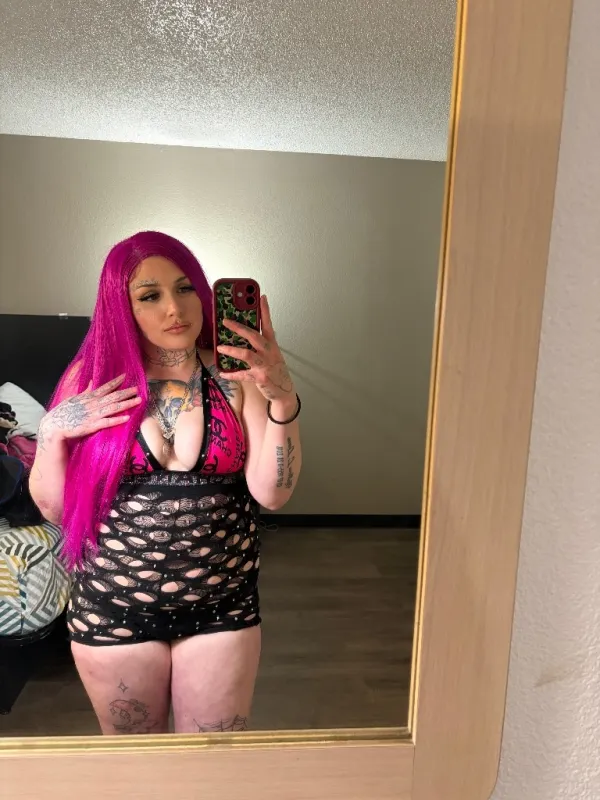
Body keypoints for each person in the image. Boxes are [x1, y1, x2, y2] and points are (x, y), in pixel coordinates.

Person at [29, 230, 302, 735]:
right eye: (150, 295)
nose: (174, 308)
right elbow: (54, 509)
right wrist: (50, 432)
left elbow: (273, 492)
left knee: (211, 767)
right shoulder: (90, 380)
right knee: (137, 768)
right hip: (112, 607)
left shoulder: (237, 379)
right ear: (122, 307)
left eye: (184, 288)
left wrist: (282, 400)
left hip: (222, 605)